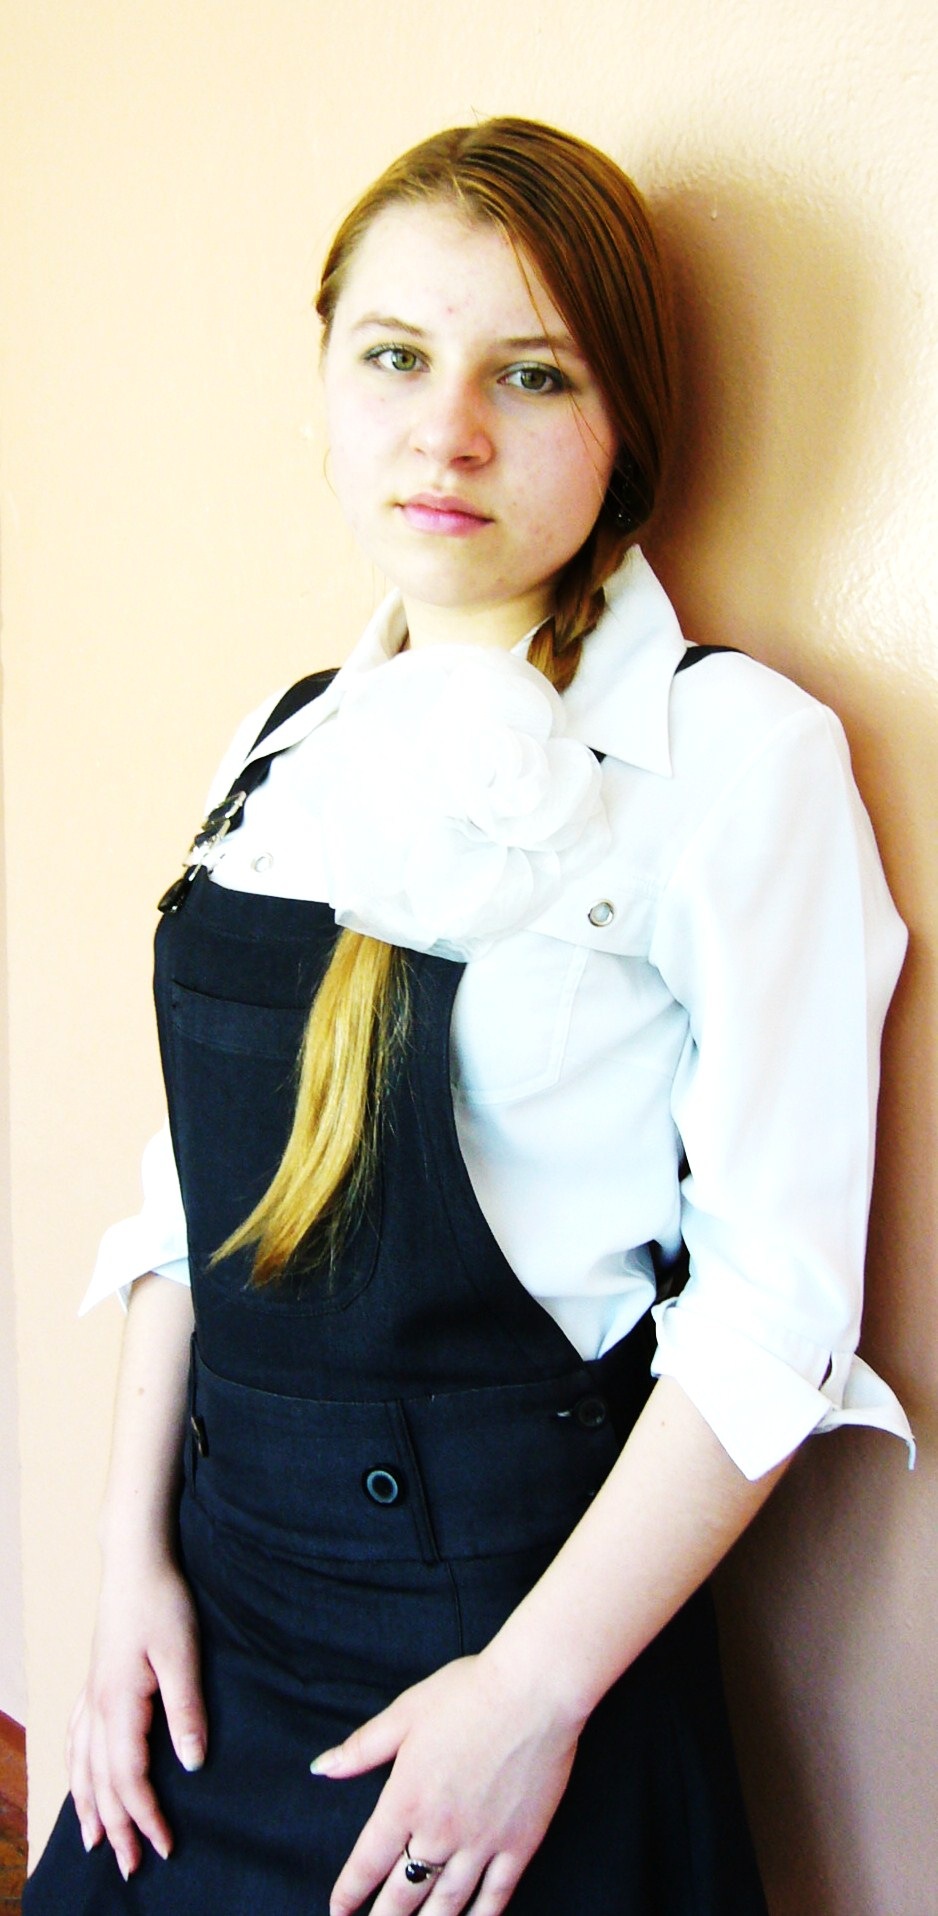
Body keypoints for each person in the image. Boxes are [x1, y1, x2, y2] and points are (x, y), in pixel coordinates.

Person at [25, 116, 913, 1916]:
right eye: (393, 358)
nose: (446, 432)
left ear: (624, 427)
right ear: (322, 388)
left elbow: (774, 1313)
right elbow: (193, 1197)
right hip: (213, 1623)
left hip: (515, 1661)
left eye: (530, 372)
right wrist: (126, 1564)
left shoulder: (738, 759)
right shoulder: (281, 738)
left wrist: (529, 1698)